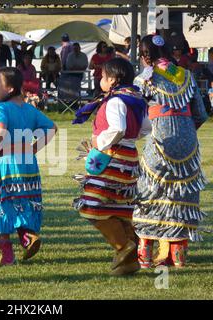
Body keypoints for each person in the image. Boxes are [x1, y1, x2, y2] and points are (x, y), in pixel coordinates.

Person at [0, 67, 57, 265]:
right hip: (28, 165)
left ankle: (7, 254)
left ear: (9, 88)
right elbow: (52, 128)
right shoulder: (28, 108)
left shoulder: (1, 109)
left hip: (7, 164)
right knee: (21, 203)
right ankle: (27, 237)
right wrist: (32, 148)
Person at [133, 35, 208, 268]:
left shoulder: (144, 78)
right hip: (188, 142)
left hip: (160, 140)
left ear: (145, 55)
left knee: (150, 189)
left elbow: (137, 116)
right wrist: (183, 131)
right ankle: (177, 256)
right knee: (181, 191)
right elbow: (202, 114)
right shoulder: (186, 75)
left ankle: (145, 253)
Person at [72, 58, 150, 276]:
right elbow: (146, 128)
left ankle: (124, 246)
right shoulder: (135, 99)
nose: (100, 79)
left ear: (114, 80)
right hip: (128, 157)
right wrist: (129, 139)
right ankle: (129, 261)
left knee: (92, 205)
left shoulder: (116, 101)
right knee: (120, 208)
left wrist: (98, 142)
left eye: (104, 76)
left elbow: (117, 128)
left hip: (111, 156)